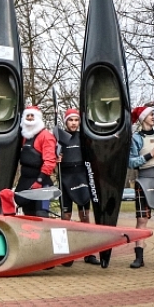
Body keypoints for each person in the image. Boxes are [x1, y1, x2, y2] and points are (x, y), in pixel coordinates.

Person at [55, 108, 101, 266]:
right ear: (65, 121)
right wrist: (57, 159)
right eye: (70, 120)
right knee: (65, 217)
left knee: (85, 216)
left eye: (76, 120)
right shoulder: (60, 137)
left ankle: (88, 254)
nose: (73, 123)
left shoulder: (84, 137)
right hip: (65, 178)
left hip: (81, 177)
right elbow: (51, 156)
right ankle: (66, 255)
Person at [128, 105, 154, 269]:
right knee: (141, 220)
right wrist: (150, 154)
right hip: (143, 181)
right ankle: (139, 257)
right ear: (143, 117)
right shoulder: (136, 138)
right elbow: (131, 162)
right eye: (151, 114)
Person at [14, 105, 56, 218]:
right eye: (28, 115)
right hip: (25, 180)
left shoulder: (46, 136)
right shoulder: (24, 137)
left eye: (33, 115)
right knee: (28, 215)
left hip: (42, 182)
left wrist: (39, 180)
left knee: (41, 214)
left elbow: (50, 162)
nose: (30, 118)